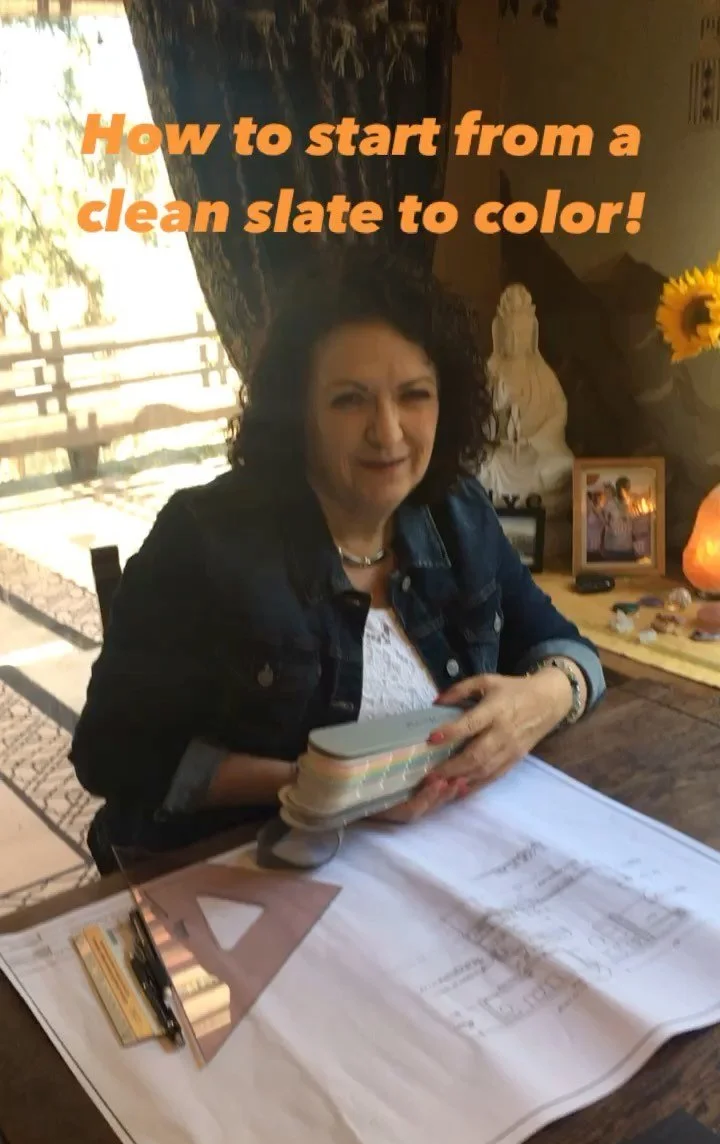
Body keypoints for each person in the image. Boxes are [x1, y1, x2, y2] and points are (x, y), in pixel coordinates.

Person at [70, 247, 606, 872]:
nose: (389, 431)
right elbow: (110, 753)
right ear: (299, 411)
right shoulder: (203, 540)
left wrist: (542, 700)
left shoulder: (458, 512)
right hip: (253, 872)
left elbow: (564, 648)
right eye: (350, 400)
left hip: (447, 858)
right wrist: (325, 787)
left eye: (414, 395)